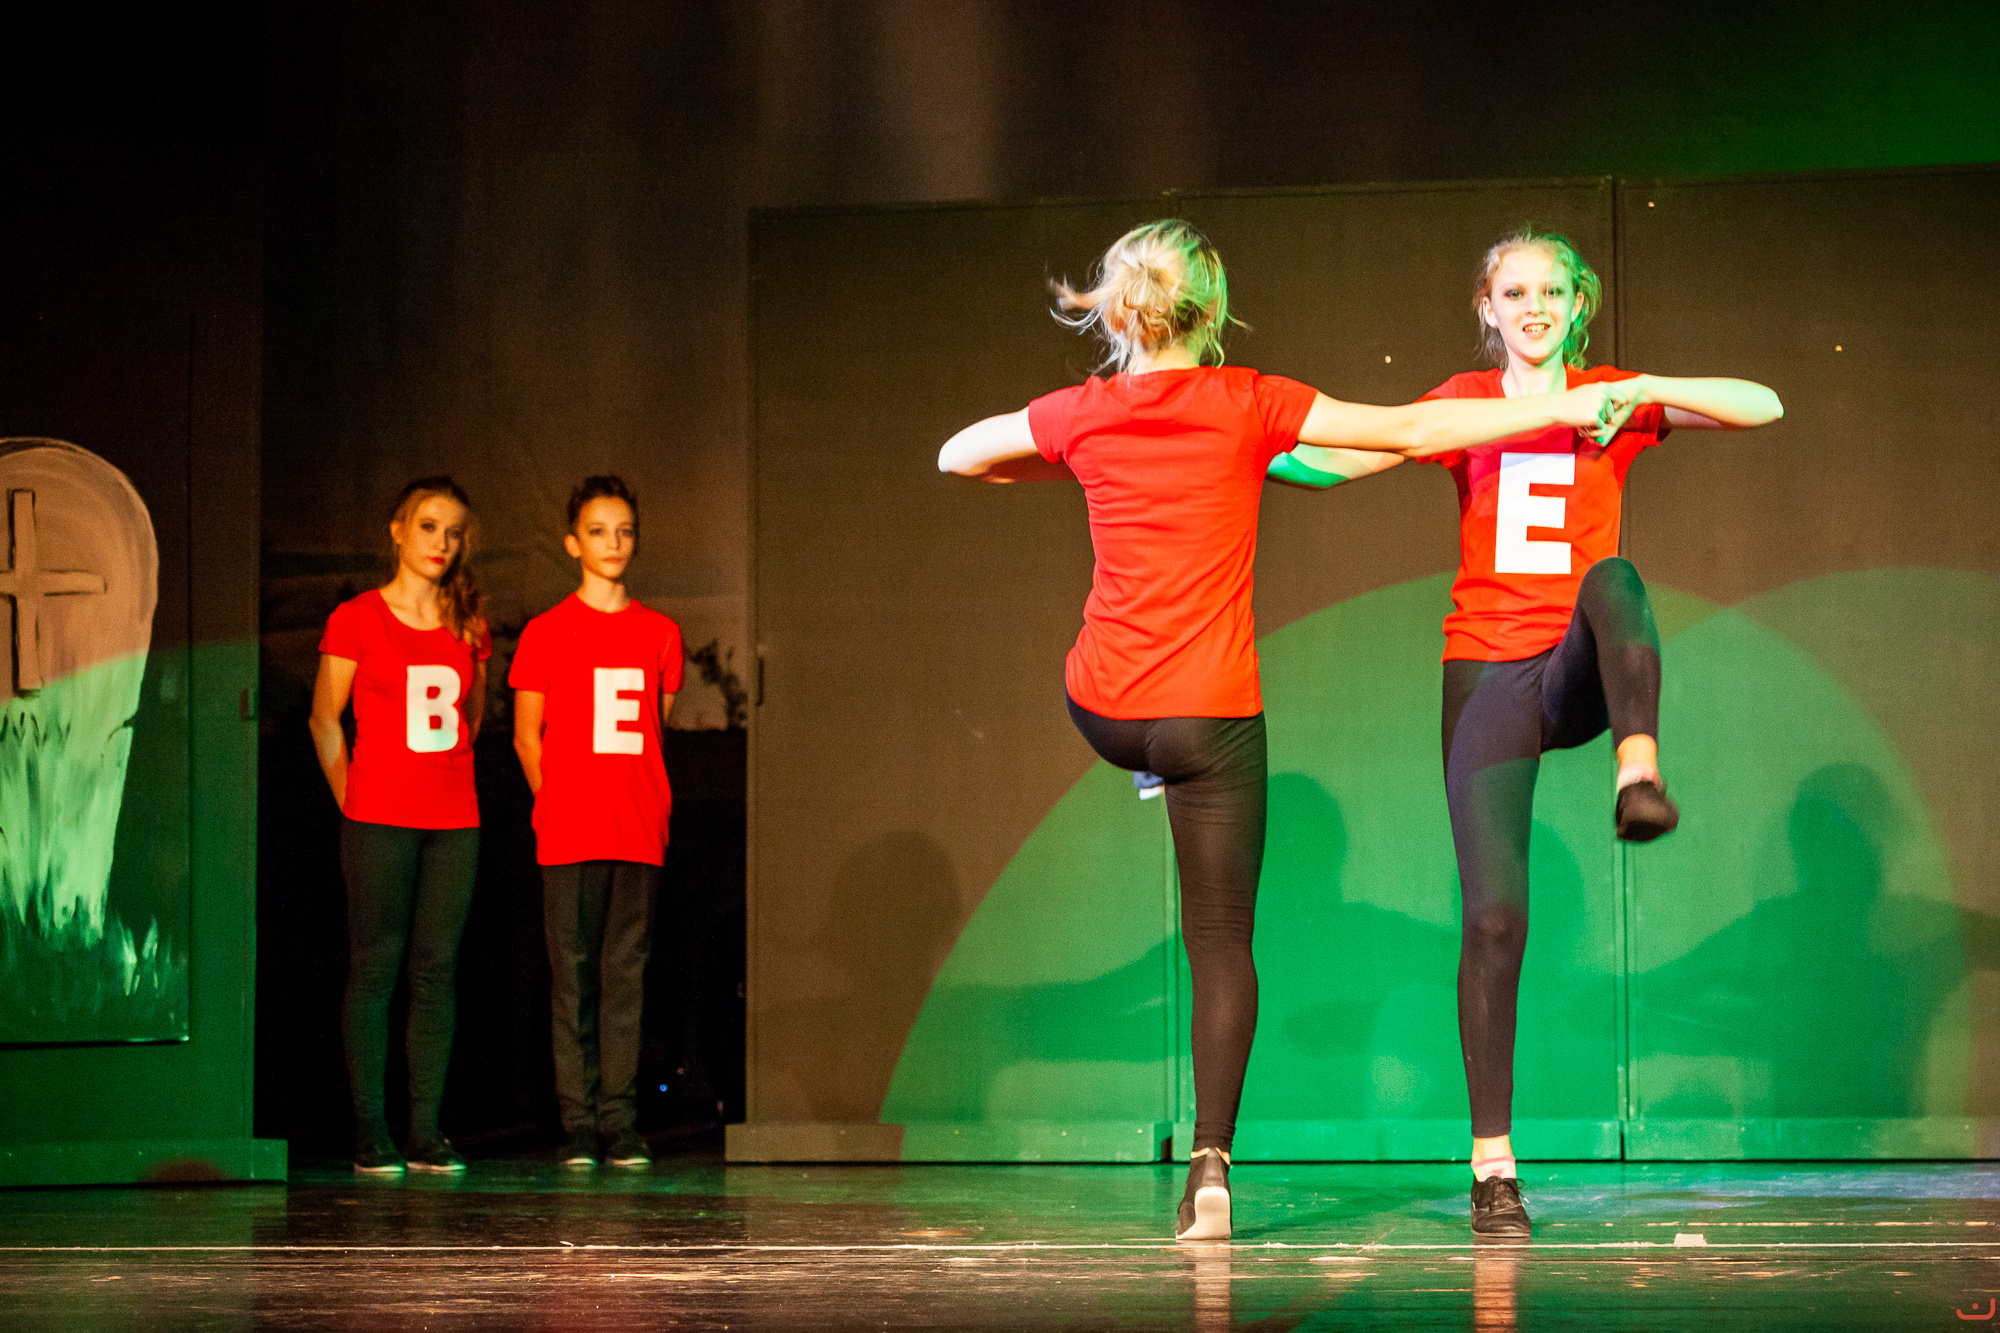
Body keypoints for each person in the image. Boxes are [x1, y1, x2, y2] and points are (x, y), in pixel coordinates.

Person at [938, 219, 1637, 1242]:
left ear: (1118, 311)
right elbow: (1407, 433)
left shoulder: (1080, 411)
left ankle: (1138, 763)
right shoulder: (1246, 399)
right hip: (1207, 714)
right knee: (1222, 942)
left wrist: (1073, 459)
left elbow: (958, 455)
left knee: (1119, 717)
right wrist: (1566, 404)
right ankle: (1208, 1172)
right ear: (1215, 311)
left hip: (1107, 705)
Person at [1271, 225, 1783, 1236]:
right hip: (1487, 678)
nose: (1534, 307)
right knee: (1496, 918)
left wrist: (1637, 391)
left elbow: (1760, 403)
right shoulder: (1464, 404)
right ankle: (1493, 1168)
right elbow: (1335, 461)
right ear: (1488, 309)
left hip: (1575, 666)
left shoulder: (1611, 398)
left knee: (1614, 576)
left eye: (1552, 291)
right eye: (1514, 292)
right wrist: (1241, 457)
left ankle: (1637, 771)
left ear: (1578, 304)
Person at [309, 477, 491, 1176]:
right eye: (428, 526)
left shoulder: (467, 623)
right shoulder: (358, 617)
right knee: (375, 968)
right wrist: (350, 795)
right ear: (398, 529)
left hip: (453, 820)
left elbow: (472, 719)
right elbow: (324, 717)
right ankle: (370, 1132)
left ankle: (426, 1132)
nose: (441, 542)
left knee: (436, 970)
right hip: (378, 818)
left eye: (453, 531)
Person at [510, 476, 683, 1170]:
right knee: (572, 979)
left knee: (625, 978)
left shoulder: (660, 633)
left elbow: (655, 730)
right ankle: (577, 1123)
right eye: (598, 531)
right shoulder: (546, 632)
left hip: (636, 828)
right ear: (572, 543)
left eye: (624, 531)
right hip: (569, 831)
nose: (613, 544)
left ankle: (620, 1121)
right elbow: (526, 737)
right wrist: (556, 802)